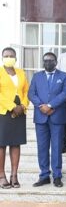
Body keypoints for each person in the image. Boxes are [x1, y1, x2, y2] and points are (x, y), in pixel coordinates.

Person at [28, 52, 66, 188]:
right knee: (42, 147)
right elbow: (31, 93)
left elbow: (65, 93)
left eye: (51, 60)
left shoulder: (64, 76)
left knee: (57, 147)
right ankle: (44, 175)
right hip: (41, 117)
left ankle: (57, 176)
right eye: (45, 60)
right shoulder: (36, 76)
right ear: (42, 62)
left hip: (57, 116)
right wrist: (41, 106)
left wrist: (50, 105)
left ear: (56, 62)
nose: (48, 62)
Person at [0, 47, 29, 189]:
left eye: (11, 55)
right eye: (6, 55)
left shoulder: (21, 72)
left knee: (16, 143)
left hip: (20, 112)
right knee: (1, 144)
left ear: (16, 58)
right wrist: (12, 106)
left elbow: (26, 91)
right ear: (2, 57)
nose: (9, 57)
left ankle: (14, 175)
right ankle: (1, 176)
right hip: (4, 111)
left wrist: (23, 105)